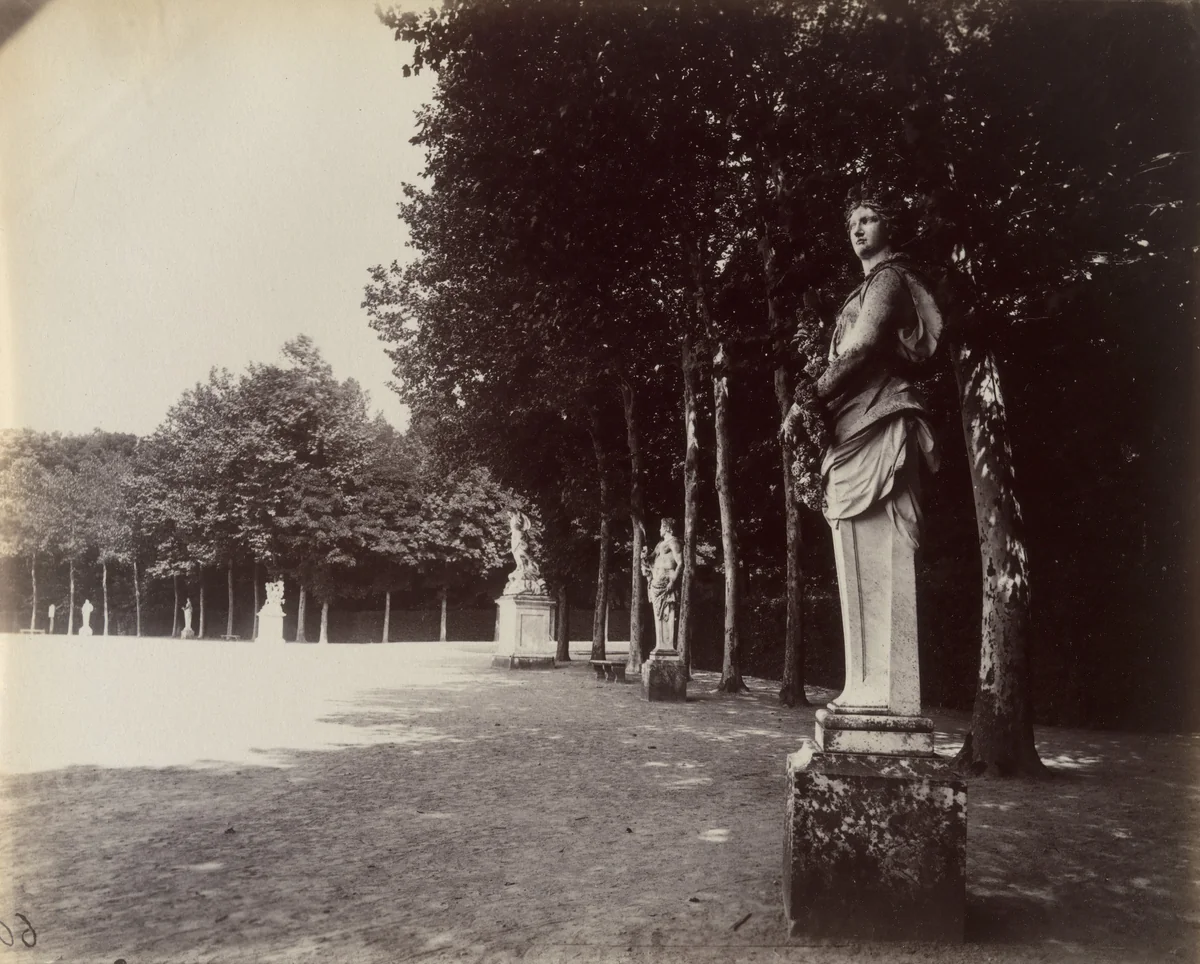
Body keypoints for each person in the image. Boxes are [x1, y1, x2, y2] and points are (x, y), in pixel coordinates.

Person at [784, 183, 944, 716]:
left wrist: (804, 397)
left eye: (869, 218)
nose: (857, 229)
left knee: (882, 548)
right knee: (852, 551)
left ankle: (890, 694)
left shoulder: (891, 279)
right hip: (850, 426)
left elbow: (863, 347)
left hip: (880, 417)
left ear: (889, 227)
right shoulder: (859, 290)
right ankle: (864, 685)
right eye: (852, 221)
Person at [640, 518, 682, 652]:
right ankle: (660, 645)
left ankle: (667, 646)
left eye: (661, 527)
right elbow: (651, 559)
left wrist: (673, 581)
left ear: (667, 528)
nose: (659, 530)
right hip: (656, 582)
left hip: (667, 582)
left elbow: (680, 563)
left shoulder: (674, 542)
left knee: (667, 614)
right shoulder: (660, 544)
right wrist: (644, 555)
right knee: (658, 615)